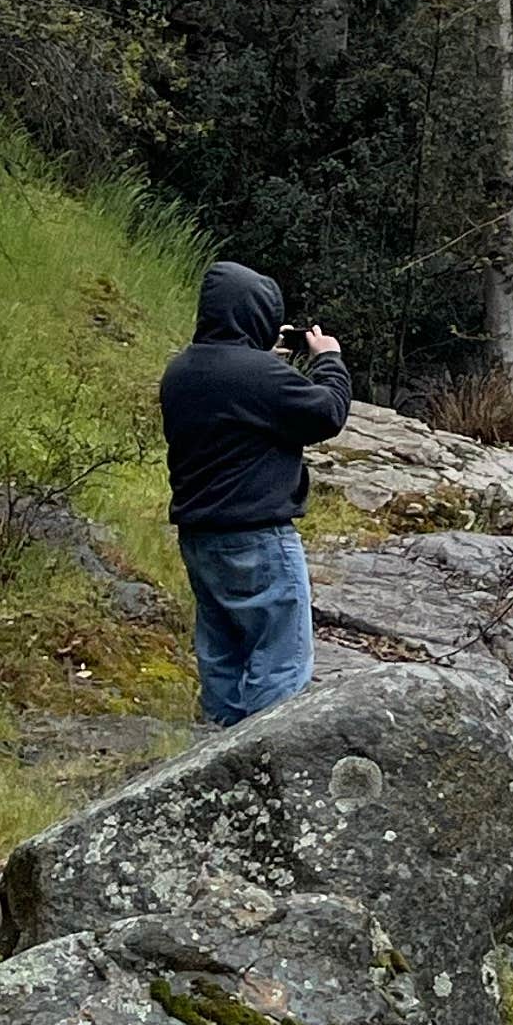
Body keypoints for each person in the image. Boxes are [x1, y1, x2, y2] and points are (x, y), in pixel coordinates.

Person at [161, 259, 351, 725]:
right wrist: (328, 358)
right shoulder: (257, 375)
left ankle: (218, 762)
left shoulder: (180, 372)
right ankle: (269, 768)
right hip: (259, 537)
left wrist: (262, 355)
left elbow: (236, 401)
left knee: (222, 654)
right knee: (280, 660)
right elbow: (327, 412)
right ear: (256, 315)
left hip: (199, 536)